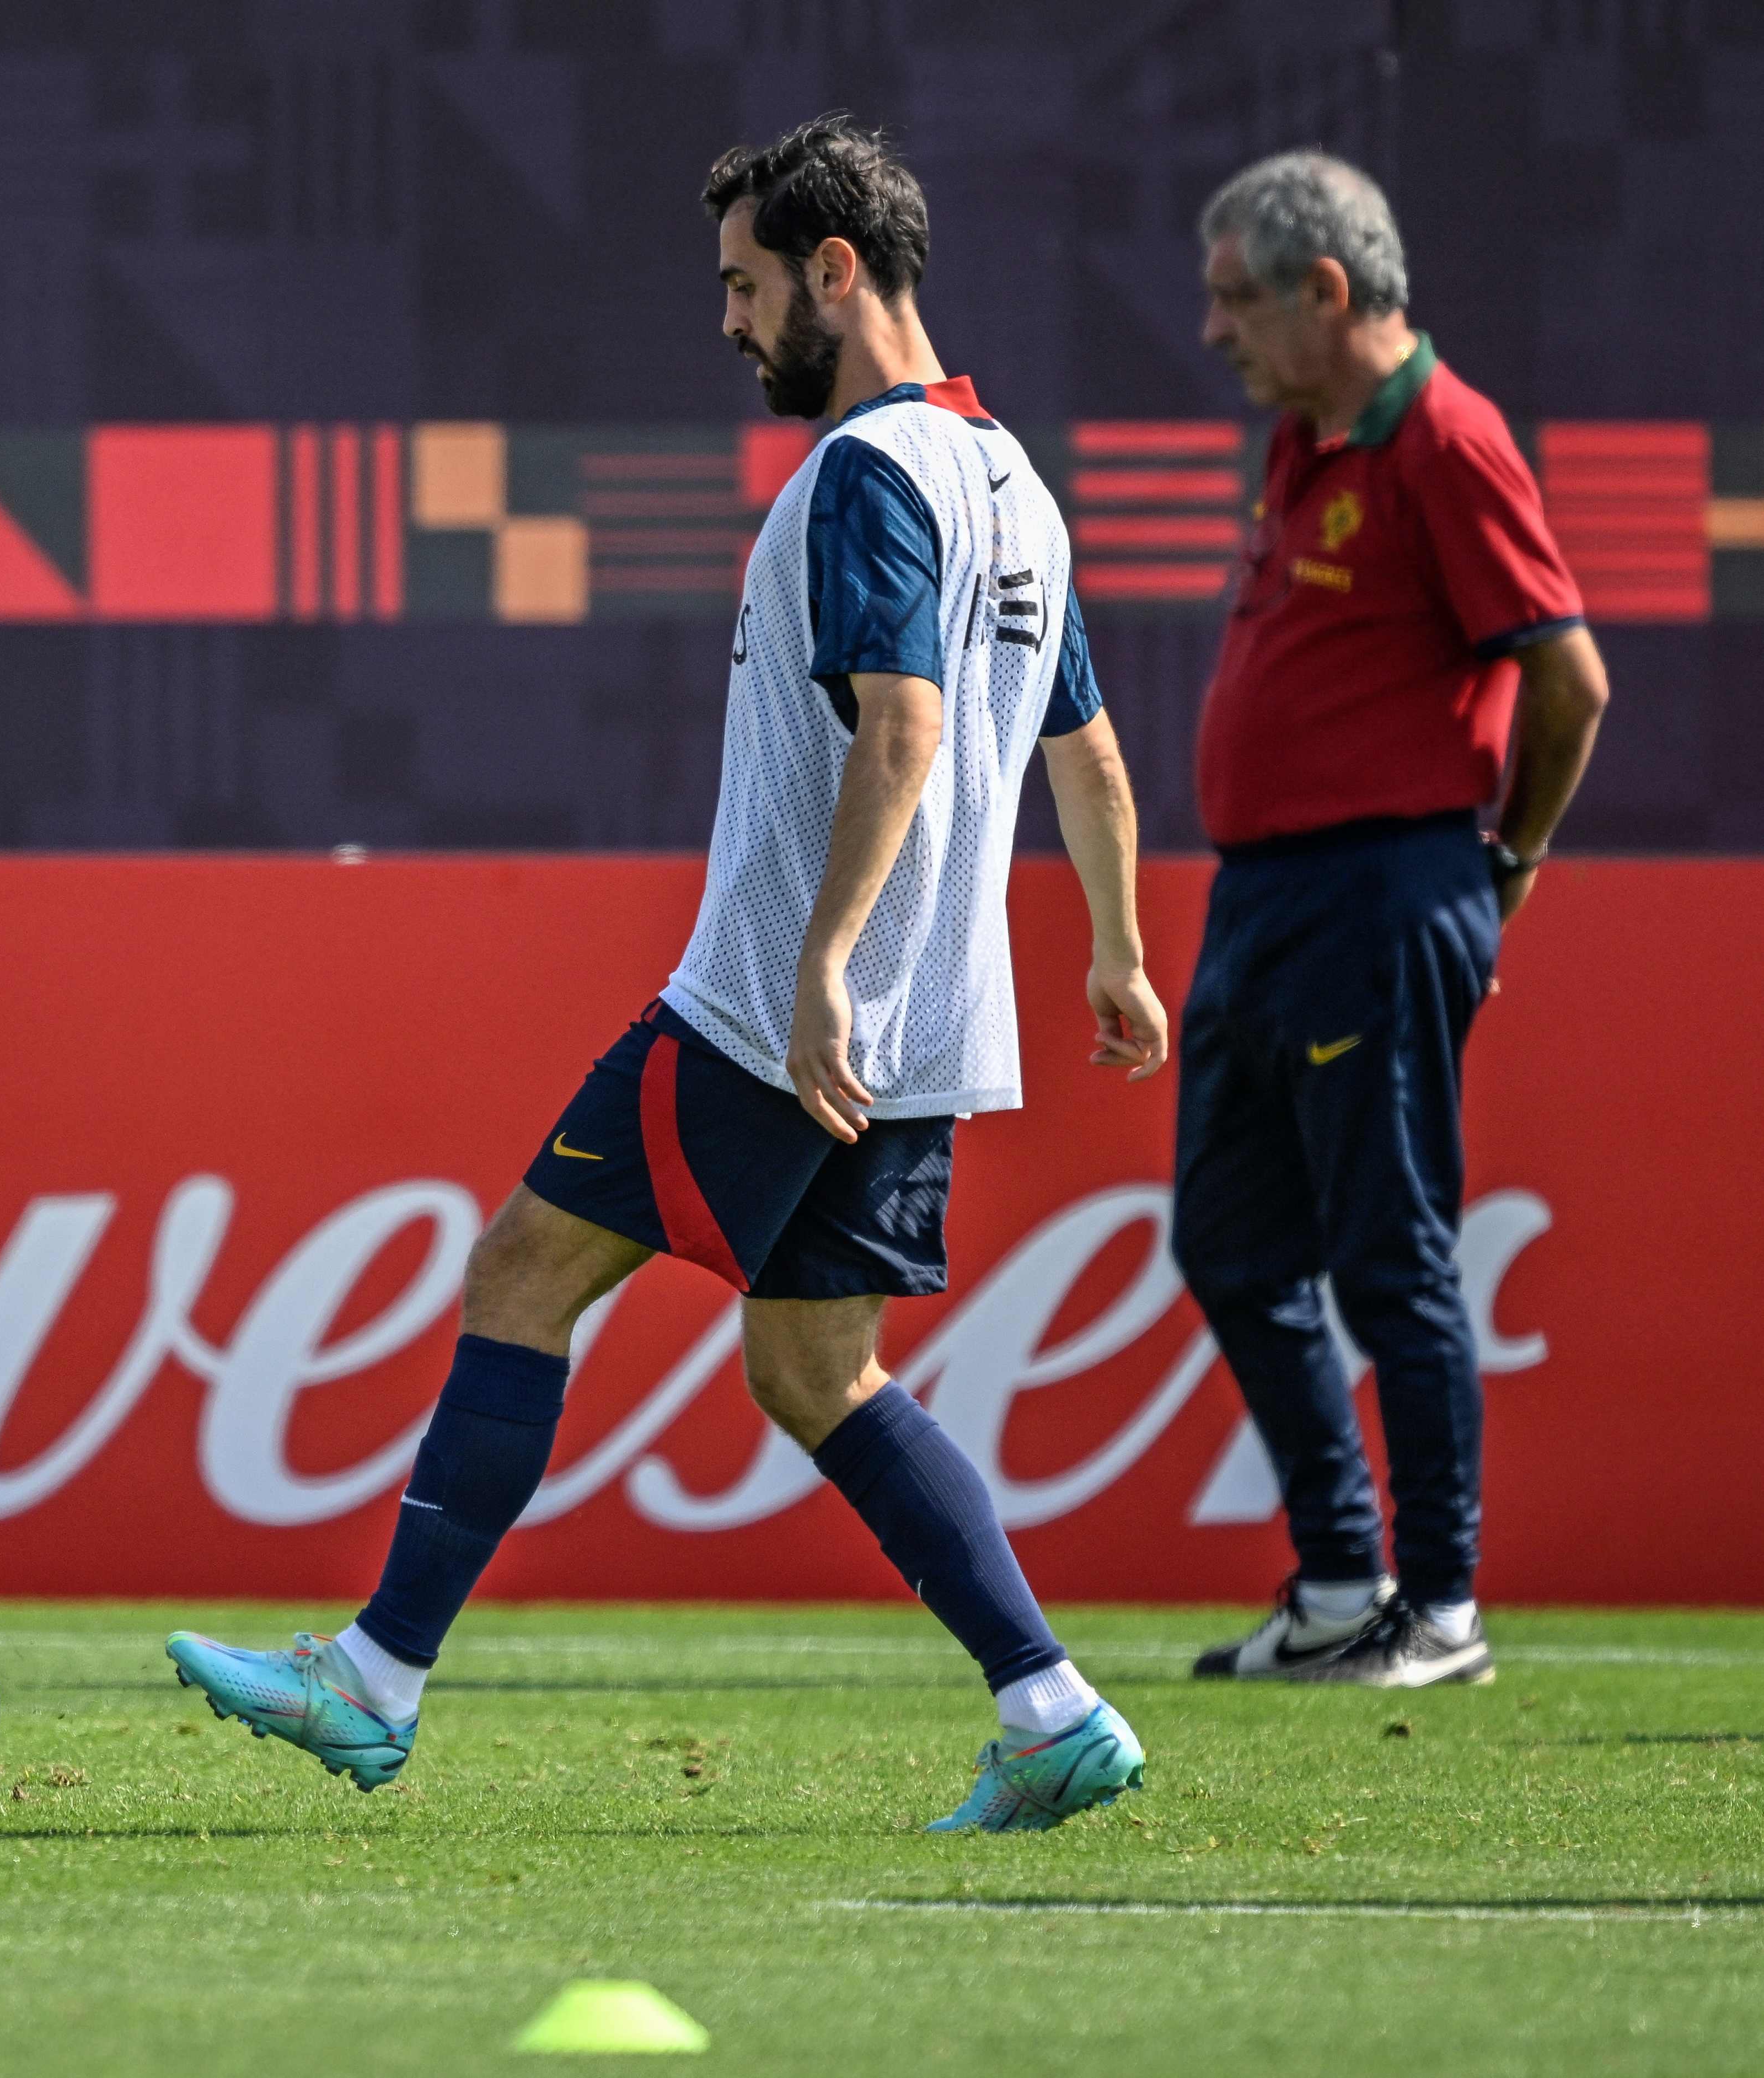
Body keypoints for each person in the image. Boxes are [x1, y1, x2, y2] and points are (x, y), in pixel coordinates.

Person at [165, 116, 1171, 1832]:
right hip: (929, 1035)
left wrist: (825, 964)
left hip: (782, 1007)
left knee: (521, 1272)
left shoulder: (867, 469)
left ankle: (375, 1677)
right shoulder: (1014, 482)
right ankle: (1051, 1703)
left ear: (834, 273)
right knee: (811, 1371)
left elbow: (910, 725)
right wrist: (1121, 956)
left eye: (746, 281)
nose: (728, 319)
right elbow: (1083, 749)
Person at [1178, 153, 1607, 1689]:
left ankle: (1441, 1605)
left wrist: (1512, 861)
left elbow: (1569, 678)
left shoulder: (1446, 435)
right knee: (1226, 1238)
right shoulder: (1309, 441)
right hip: (1266, 896)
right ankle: (1341, 1576)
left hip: (1385, 885)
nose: (1214, 331)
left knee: (1389, 1250)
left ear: (1329, 292)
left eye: (1237, 299)